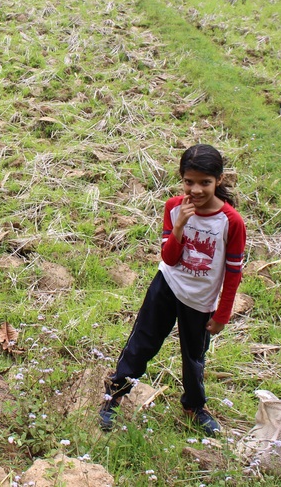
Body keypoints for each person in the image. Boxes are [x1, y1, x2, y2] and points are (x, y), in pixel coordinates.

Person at [99, 144, 246, 435]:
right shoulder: (174, 207)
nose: (196, 190)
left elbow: (233, 272)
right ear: (181, 179)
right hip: (167, 286)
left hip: (201, 299)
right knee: (142, 342)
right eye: (189, 181)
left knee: (194, 357)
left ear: (219, 181)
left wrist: (223, 314)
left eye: (205, 182)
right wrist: (179, 226)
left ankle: (194, 406)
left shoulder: (231, 222)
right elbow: (169, 258)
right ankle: (114, 394)